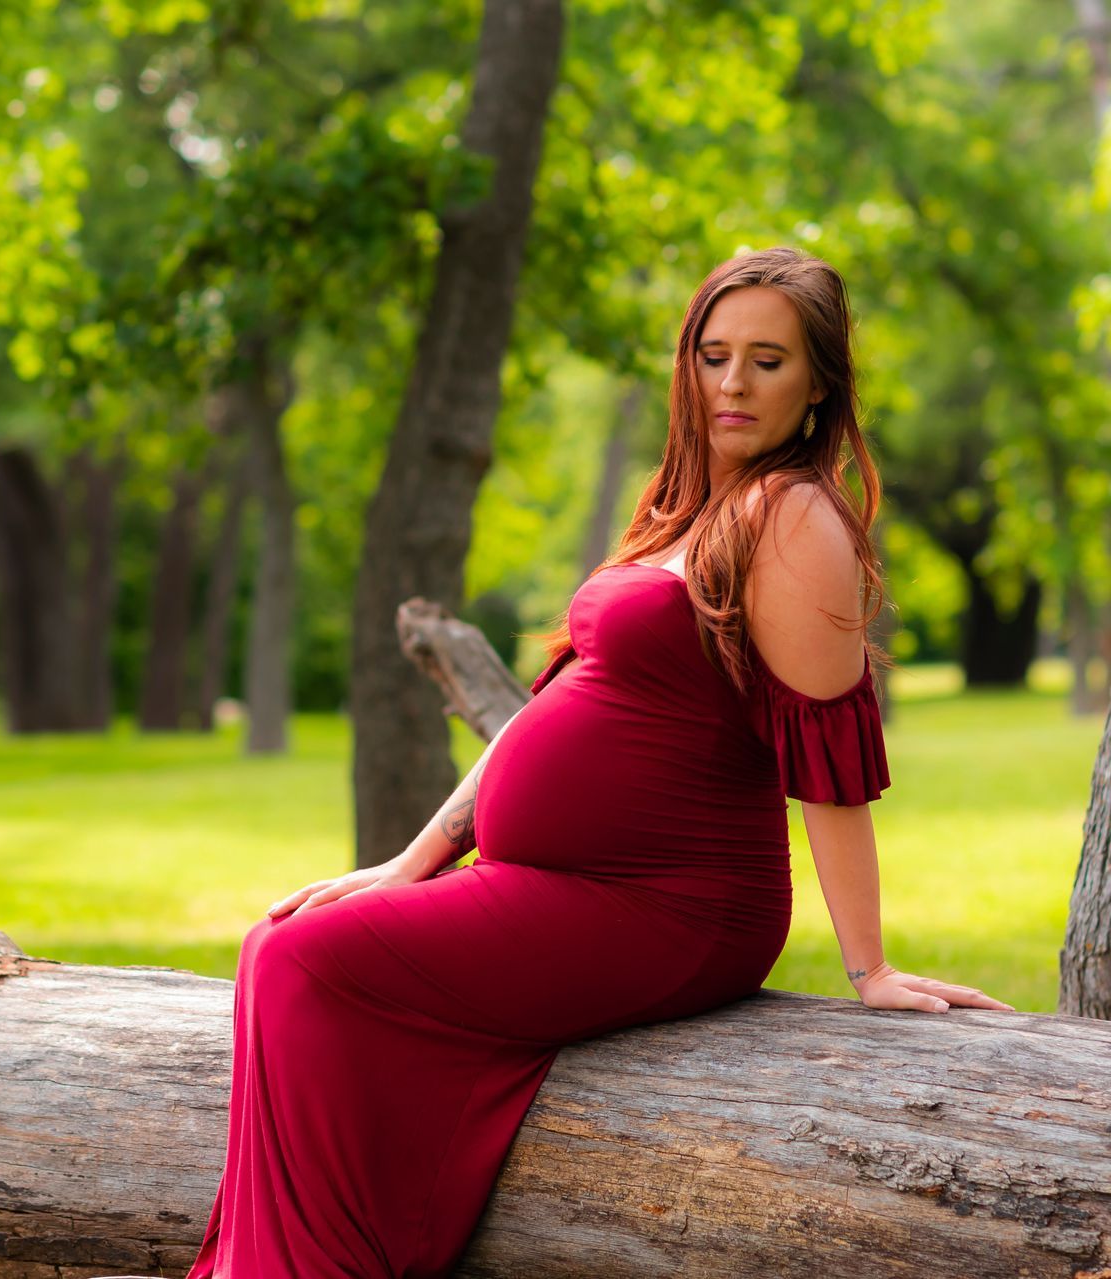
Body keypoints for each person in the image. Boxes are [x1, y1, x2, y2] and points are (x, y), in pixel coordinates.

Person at [183, 246, 1016, 1279]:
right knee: (283, 939)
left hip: (674, 904)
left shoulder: (793, 517)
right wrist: (413, 862)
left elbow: (827, 759)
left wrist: (869, 967)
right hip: (566, 883)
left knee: (301, 961)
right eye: (714, 355)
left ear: (818, 386)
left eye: (767, 360)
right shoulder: (684, 507)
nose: (732, 383)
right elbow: (552, 713)